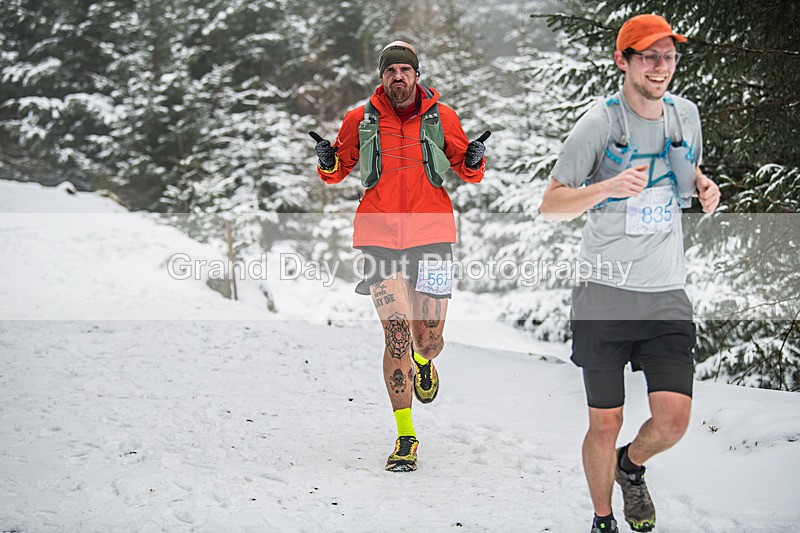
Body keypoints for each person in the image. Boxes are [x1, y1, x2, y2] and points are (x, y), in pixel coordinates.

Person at [539, 14, 720, 533]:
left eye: (668, 56)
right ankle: (602, 520)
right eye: (649, 56)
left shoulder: (685, 115)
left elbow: (688, 179)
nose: (661, 67)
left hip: (665, 293)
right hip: (605, 296)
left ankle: (630, 466)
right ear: (624, 61)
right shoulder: (599, 124)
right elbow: (551, 204)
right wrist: (606, 188)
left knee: (673, 422)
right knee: (605, 421)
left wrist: (706, 190)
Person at [312, 41, 487, 472]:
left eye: (405, 69)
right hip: (379, 238)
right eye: (390, 70)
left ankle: (425, 364)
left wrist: (476, 159)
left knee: (426, 338)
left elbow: (468, 169)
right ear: (382, 77)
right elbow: (337, 173)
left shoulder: (442, 118)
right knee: (396, 335)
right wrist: (327, 162)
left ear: (416, 75)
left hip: (432, 236)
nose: (397, 77)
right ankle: (406, 435)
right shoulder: (361, 119)